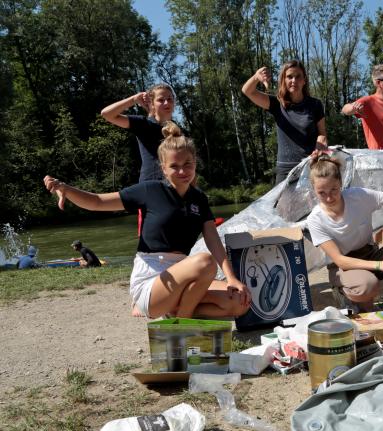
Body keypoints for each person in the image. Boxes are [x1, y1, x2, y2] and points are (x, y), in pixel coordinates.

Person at [43, 123, 251, 320]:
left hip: (184, 276)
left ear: (195, 162)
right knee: (204, 262)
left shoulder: (199, 198)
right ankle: (182, 326)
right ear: (163, 168)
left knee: (240, 302)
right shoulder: (150, 190)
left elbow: (213, 239)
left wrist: (231, 278)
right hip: (152, 282)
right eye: (174, 166)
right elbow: (97, 202)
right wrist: (67, 189)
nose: (182, 171)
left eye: (187, 164)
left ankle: (176, 311)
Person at [305, 152, 383, 311]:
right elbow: (340, 260)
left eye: (334, 190)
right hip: (345, 268)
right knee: (368, 286)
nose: (329, 198)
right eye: (322, 193)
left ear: (341, 184)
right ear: (314, 190)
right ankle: (346, 294)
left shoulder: (357, 196)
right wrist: (380, 265)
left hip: (371, 254)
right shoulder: (315, 219)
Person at [341, 64, 383, 247]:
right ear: (378, 82)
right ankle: (374, 247)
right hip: (379, 163)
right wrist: (352, 108)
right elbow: (345, 109)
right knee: (378, 205)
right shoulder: (368, 101)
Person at [242, 61, 327, 185]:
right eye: (289, 77)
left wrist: (320, 145)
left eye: (298, 76)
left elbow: (322, 134)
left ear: (304, 80)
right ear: (284, 80)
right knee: (281, 205)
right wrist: (256, 77)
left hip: (311, 167)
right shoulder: (276, 104)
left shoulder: (316, 105)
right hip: (285, 171)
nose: (294, 80)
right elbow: (247, 91)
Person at [101, 83, 177, 183]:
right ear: (152, 104)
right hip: (151, 186)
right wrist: (134, 99)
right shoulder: (143, 124)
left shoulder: (178, 131)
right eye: (161, 100)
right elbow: (107, 114)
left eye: (170, 99)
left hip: (176, 186)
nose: (166, 103)